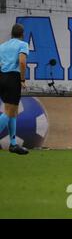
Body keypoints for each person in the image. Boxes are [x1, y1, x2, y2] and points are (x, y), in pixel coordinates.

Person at [0, 24, 29, 155]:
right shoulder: (23, 44)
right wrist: (22, 79)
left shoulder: (2, 46)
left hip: (2, 77)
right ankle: (13, 144)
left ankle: (13, 144)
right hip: (13, 77)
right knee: (9, 111)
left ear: (11, 33)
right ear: (22, 34)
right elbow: (22, 62)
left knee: (12, 111)